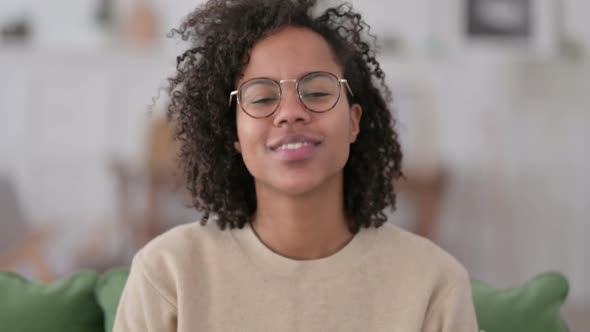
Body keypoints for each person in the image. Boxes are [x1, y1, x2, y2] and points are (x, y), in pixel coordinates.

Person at [114, 0, 479, 331]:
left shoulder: (434, 282)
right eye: (261, 97)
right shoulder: (168, 273)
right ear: (234, 134)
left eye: (318, 92)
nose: (290, 113)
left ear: (353, 122)